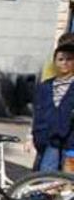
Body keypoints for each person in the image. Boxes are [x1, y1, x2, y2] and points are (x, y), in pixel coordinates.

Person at [32, 43, 74, 172]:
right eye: (60, 59)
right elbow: (37, 112)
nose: (64, 63)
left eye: (69, 59)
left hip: (71, 141)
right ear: (55, 62)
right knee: (46, 175)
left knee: (68, 178)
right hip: (49, 139)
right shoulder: (45, 86)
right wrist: (30, 137)